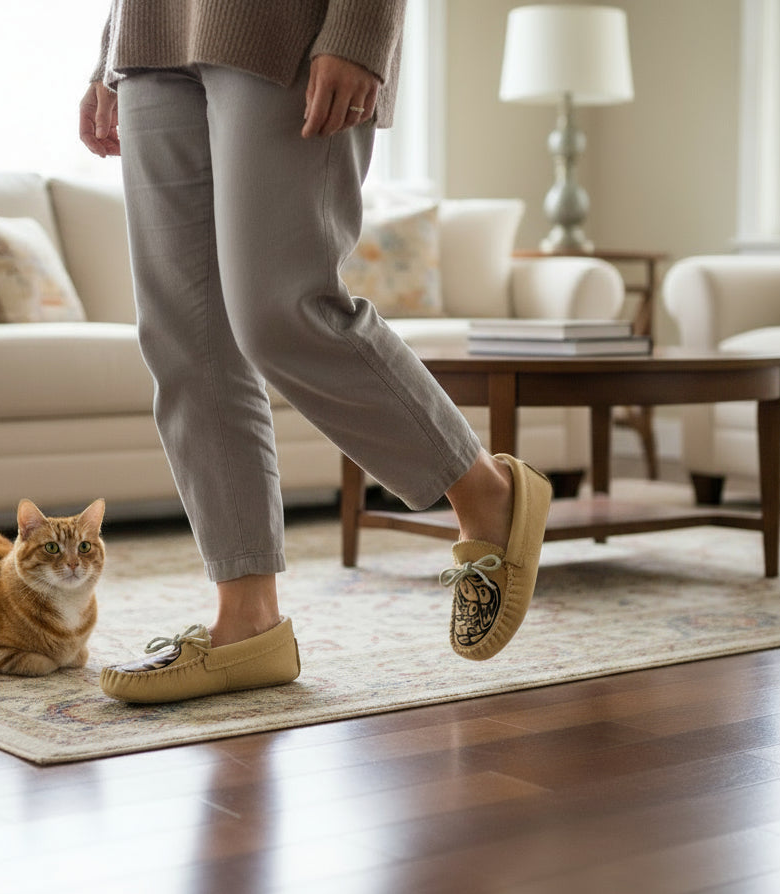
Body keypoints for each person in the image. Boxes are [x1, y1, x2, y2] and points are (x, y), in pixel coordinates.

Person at [79, 0, 551, 704]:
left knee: (281, 312)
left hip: (282, 23)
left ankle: (485, 490)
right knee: (184, 339)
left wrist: (362, 29)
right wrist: (108, 51)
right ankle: (248, 621)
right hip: (151, 33)